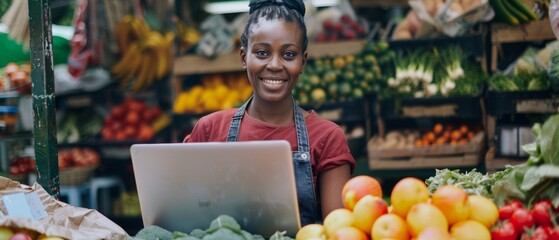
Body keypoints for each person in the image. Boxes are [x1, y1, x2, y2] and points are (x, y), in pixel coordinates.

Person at [183, 0, 356, 226]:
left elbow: (338, 231)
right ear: (244, 57)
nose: (275, 64)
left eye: (288, 54)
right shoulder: (209, 129)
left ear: (303, 62)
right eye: (262, 53)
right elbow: (186, 216)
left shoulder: (327, 138)